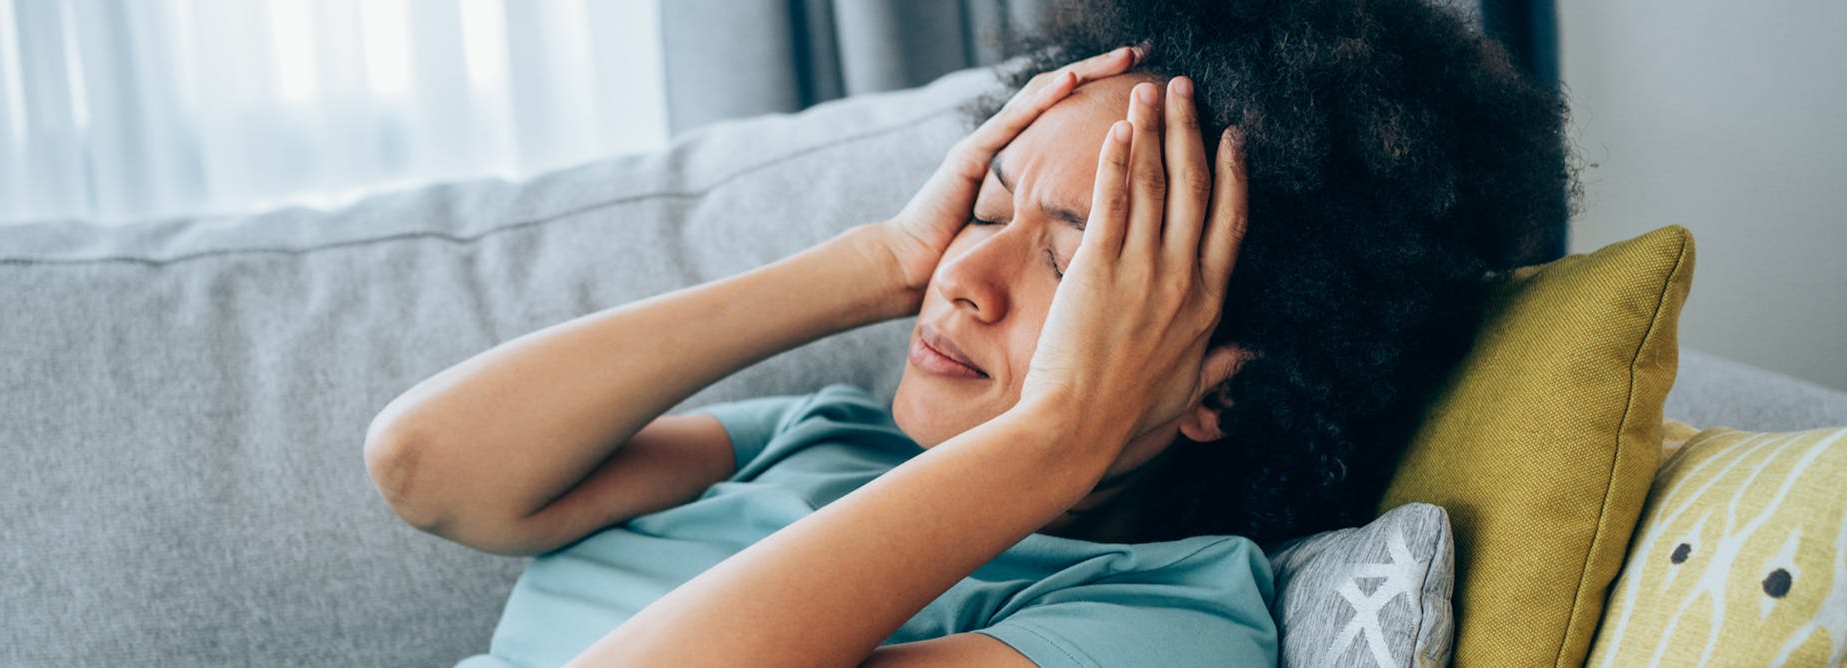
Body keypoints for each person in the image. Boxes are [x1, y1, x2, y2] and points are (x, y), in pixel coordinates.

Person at [364, 0, 1571, 665]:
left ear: (1228, 389)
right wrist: (869, 263)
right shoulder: (825, 438)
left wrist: (1056, 437)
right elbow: (426, 466)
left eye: (1068, 253)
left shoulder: (1166, 626)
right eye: (986, 207)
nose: (966, 277)